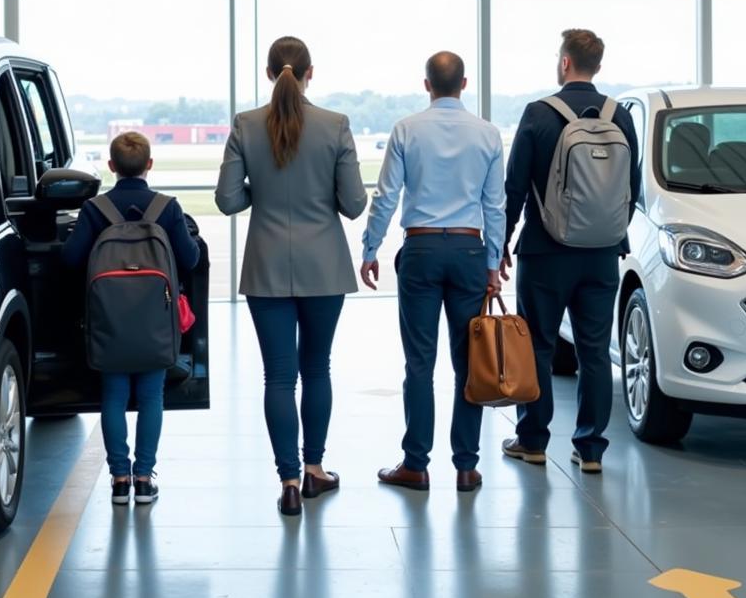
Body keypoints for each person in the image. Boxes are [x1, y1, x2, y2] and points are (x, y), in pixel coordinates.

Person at [215, 36, 367, 517]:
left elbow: (227, 200)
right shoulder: (335, 125)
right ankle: (315, 469)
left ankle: (287, 482)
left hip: (265, 268)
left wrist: (260, 191)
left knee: (278, 376)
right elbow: (355, 203)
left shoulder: (245, 125)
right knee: (316, 368)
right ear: (310, 73)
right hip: (324, 267)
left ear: (268, 73)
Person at [360, 51, 505, 494]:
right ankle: (466, 466)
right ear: (464, 84)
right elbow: (494, 205)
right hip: (467, 250)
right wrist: (493, 263)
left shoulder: (406, 129)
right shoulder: (487, 134)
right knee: (469, 364)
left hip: (420, 250)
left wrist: (370, 248)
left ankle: (416, 464)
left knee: (419, 364)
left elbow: (386, 196)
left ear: (427, 85)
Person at [500, 29, 640, 474]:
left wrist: (500, 243)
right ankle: (592, 448)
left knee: (538, 346)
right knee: (594, 351)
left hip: (545, 251)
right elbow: (630, 189)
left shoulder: (539, 114)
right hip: (602, 252)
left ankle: (534, 441)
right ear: (596, 66)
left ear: (565, 63)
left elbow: (515, 187)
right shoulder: (620, 117)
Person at [63, 131, 200, 506]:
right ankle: (144, 478)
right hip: (156, 323)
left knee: (114, 395)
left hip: (109, 321)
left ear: (111, 167)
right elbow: (189, 260)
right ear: (149, 165)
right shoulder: (167, 209)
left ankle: (119, 479)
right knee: (152, 396)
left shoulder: (96, 209)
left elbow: (71, 259)